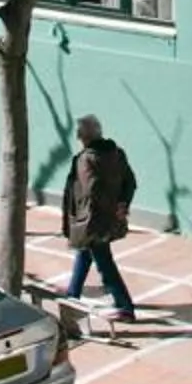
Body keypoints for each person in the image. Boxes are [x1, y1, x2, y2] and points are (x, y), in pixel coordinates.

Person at [61, 113, 140, 323]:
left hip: (92, 221)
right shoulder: (117, 153)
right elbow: (130, 182)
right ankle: (72, 297)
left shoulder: (85, 159)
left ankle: (124, 305)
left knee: (104, 262)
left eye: (79, 132)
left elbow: (91, 190)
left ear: (82, 135)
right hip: (108, 218)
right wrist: (122, 204)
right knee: (84, 255)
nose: (77, 135)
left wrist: (111, 207)